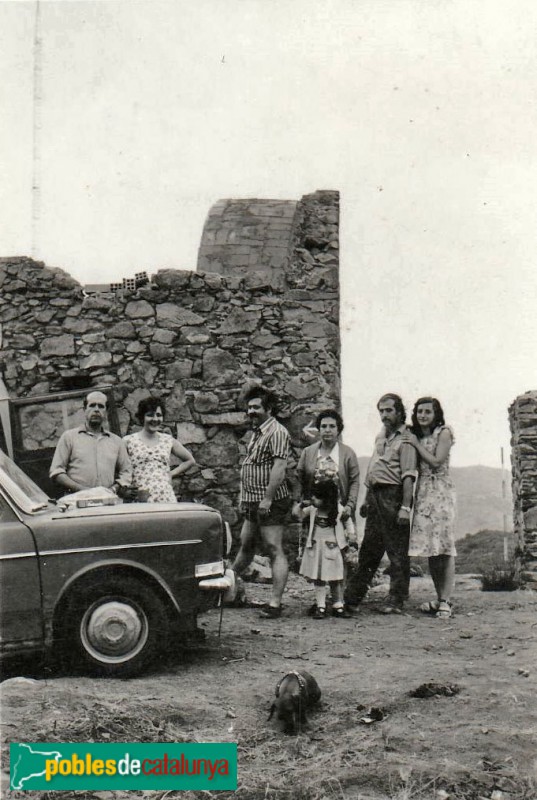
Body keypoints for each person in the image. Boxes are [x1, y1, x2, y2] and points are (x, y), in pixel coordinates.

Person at [344, 393, 417, 614]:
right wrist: (366, 499)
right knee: (369, 548)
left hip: (393, 495)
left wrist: (405, 507)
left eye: (389, 410)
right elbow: (374, 467)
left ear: (399, 412)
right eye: (381, 411)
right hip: (375, 495)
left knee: (397, 550)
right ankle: (352, 597)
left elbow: (408, 476)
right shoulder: (381, 436)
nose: (384, 415)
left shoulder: (407, 438)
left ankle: (396, 599)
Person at [231, 386, 291, 619]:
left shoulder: (277, 432)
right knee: (246, 545)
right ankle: (226, 587)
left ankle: (275, 604)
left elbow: (279, 467)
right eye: (249, 407)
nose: (251, 411)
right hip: (252, 501)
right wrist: (244, 498)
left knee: (274, 548)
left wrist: (267, 499)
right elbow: (250, 466)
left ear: (269, 409)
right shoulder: (257, 432)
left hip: (270, 501)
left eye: (256, 407)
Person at [401, 397, 456, 619]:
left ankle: (446, 600)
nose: (423, 415)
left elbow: (436, 461)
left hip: (441, 491)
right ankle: (439, 597)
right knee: (431, 548)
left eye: (428, 412)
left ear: (436, 414)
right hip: (423, 492)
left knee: (445, 546)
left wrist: (415, 444)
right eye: (420, 412)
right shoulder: (418, 435)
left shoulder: (444, 432)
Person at [50, 390, 132, 495]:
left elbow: (126, 472)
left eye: (101, 406)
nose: (96, 410)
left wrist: (113, 489)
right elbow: (56, 471)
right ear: (85, 409)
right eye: (92, 405)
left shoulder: (117, 441)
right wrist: (82, 490)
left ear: (106, 411)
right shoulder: (69, 437)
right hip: (76, 498)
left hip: (107, 498)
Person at [298, 479, 356, 618]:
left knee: (335, 578)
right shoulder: (313, 510)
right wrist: (301, 505)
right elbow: (297, 515)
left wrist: (351, 534)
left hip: (332, 549)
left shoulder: (339, 509)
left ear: (327, 498)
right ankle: (321, 605)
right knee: (319, 578)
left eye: (317, 496)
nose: (313, 498)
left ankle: (338, 605)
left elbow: (347, 520)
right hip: (316, 549)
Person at [123, 396, 196, 503]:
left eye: (159, 415)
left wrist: (171, 474)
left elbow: (190, 460)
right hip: (141, 500)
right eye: (150, 415)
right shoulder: (128, 441)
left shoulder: (168, 440)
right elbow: (118, 468)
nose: (155, 419)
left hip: (166, 498)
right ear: (142, 417)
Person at [294, 409, 360, 523]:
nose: (327, 430)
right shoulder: (308, 452)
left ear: (338, 429)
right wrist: (296, 503)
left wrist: (350, 505)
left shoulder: (348, 454)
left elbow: (354, 481)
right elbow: (299, 478)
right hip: (312, 512)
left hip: (340, 513)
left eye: (332, 426)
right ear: (319, 429)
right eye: (324, 426)